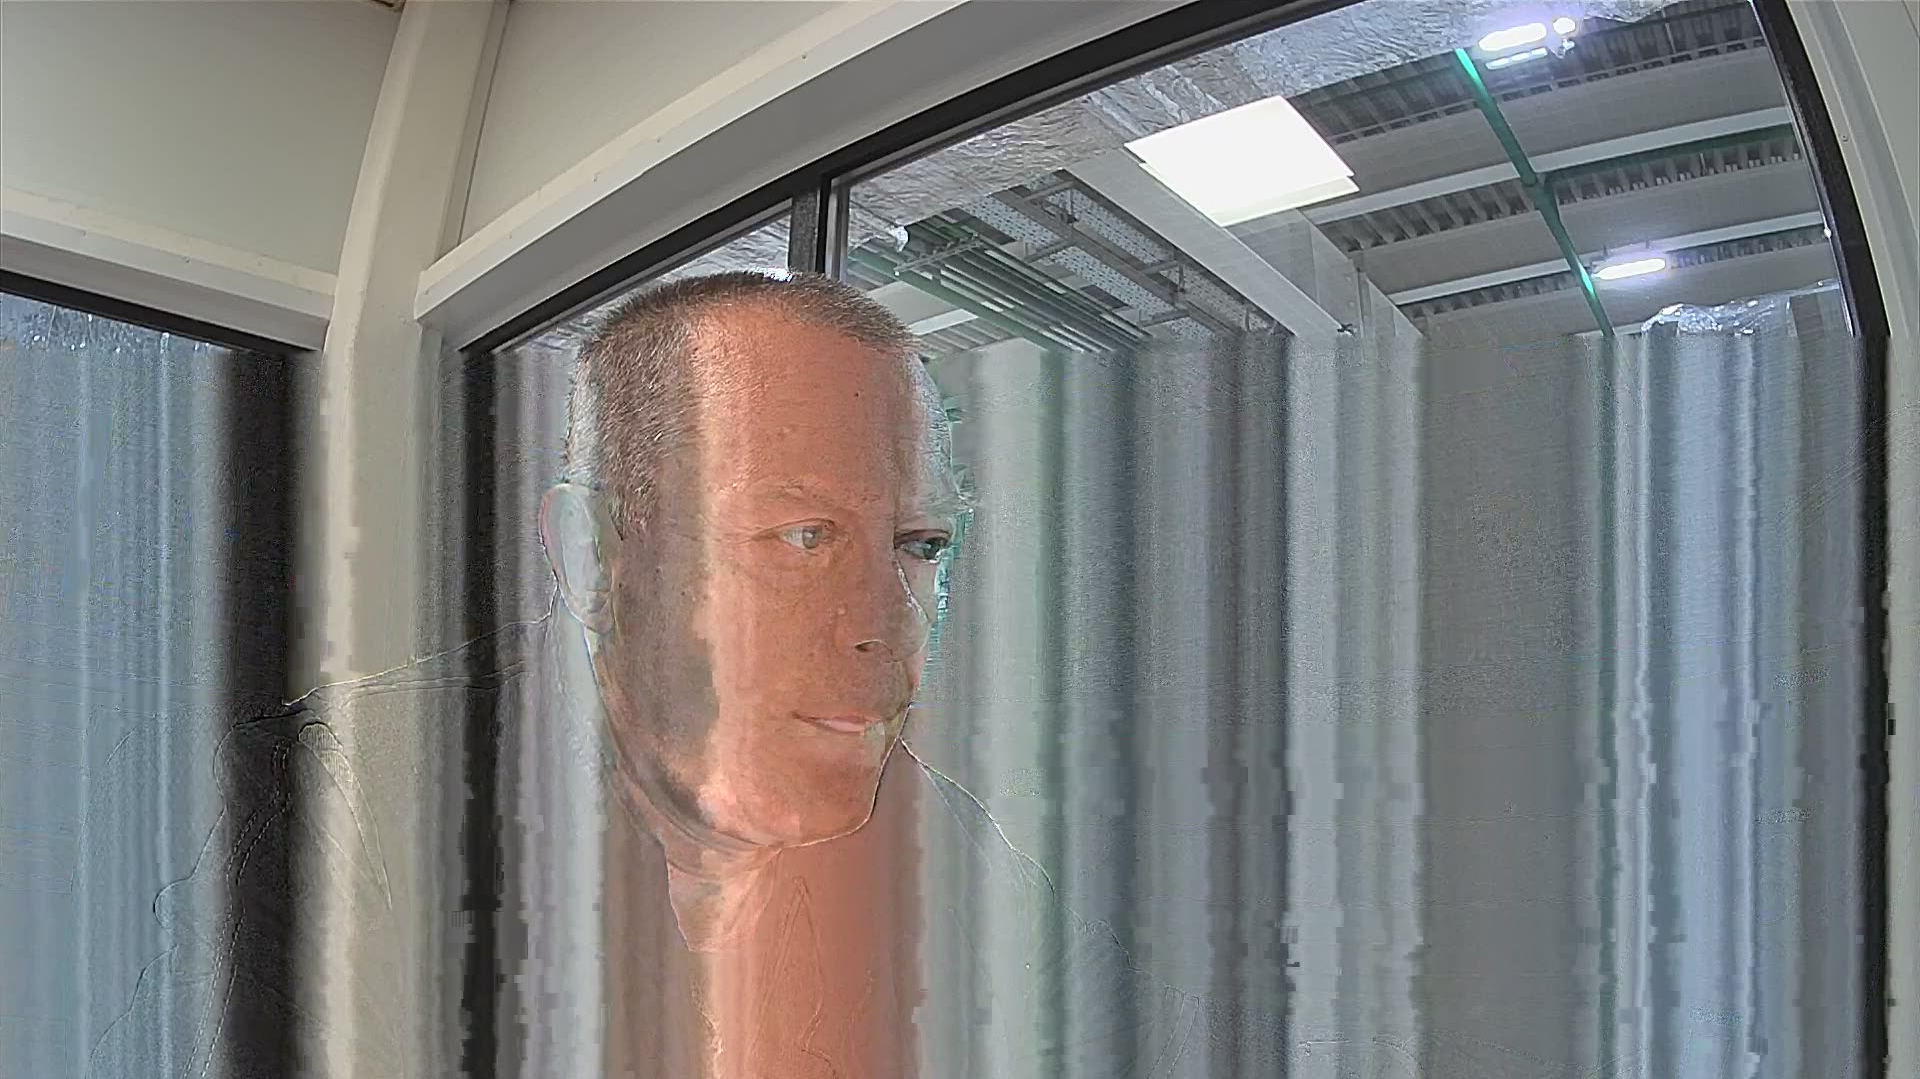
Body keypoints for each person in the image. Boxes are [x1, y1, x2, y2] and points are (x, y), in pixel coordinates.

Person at [88, 272, 1281, 1078]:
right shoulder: (325, 806)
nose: (886, 625)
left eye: (920, 547)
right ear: (596, 557)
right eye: (801, 537)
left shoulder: (944, 841)